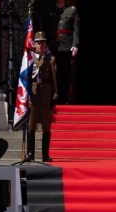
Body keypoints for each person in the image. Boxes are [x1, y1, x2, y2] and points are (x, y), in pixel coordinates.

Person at [25, 31, 58, 163]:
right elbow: (26, 77)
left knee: (46, 125)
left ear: (46, 44)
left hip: (45, 93)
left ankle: (45, 154)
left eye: (42, 43)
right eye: (38, 43)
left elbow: (54, 79)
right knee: (31, 125)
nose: (40, 45)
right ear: (34, 44)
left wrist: (55, 94)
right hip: (33, 93)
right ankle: (30, 153)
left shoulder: (51, 59)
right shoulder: (30, 58)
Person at [48, 0, 80, 105]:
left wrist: (75, 44)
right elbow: (46, 27)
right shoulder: (50, 10)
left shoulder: (71, 10)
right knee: (51, 72)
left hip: (66, 46)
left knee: (64, 73)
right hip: (53, 46)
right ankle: (52, 97)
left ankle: (63, 97)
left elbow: (76, 28)